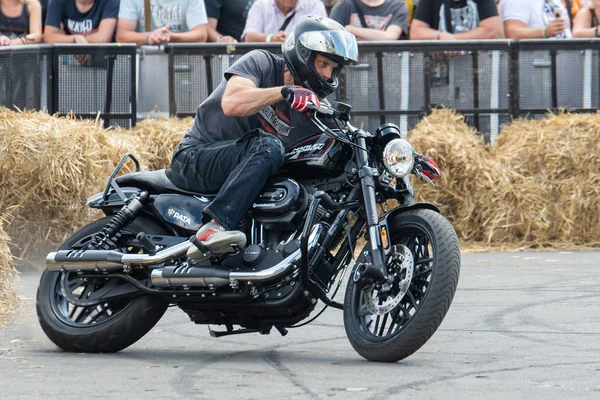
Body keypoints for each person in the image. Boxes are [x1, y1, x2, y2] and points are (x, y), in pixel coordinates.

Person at [170, 15, 358, 261]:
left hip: (242, 177)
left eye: (334, 69)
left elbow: (350, 138)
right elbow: (232, 102)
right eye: (323, 64)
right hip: (195, 158)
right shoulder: (261, 63)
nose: (327, 74)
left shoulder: (315, 108)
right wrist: (284, 92)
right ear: (303, 54)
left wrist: (400, 154)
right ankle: (215, 227)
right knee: (269, 145)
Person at [116, 0, 208, 46]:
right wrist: (149, 37)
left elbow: (201, 35)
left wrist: (171, 37)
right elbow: (122, 36)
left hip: (184, 63)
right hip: (144, 63)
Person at [410, 0, 503, 39]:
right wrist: (440, 36)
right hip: (440, 69)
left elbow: (492, 30)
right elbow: (415, 32)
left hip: (478, 68)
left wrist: (454, 41)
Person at [242, 0, 327, 42]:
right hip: (267, 62)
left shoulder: (315, 5)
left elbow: (321, 37)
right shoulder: (261, 5)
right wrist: (271, 38)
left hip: (302, 62)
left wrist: (291, 40)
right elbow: (249, 37)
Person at [44, 0, 119, 43]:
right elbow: (49, 37)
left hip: (102, 56)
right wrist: (74, 39)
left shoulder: (110, 1)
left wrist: (81, 44)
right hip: (70, 56)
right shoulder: (57, 1)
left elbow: (103, 38)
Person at [330, 0, 409, 40]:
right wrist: (377, 36)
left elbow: (390, 37)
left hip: (385, 66)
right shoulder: (344, 6)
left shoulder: (398, 6)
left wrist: (351, 29)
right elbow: (333, 38)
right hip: (350, 66)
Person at [502, 0, 572, 38]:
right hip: (537, 61)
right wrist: (544, 32)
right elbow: (512, 33)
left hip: (564, 60)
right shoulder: (515, 1)